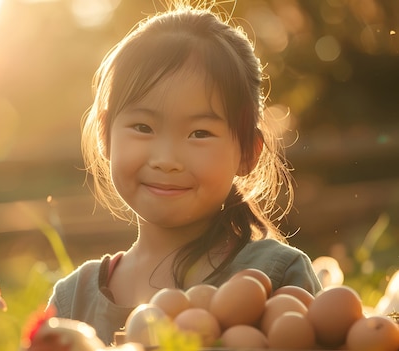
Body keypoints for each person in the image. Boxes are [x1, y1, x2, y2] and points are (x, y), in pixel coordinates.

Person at [47, 1, 322, 346]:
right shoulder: (73, 301)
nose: (166, 159)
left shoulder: (275, 277)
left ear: (248, 152)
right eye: (143, 126)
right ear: (105, 135)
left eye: (199, 133)